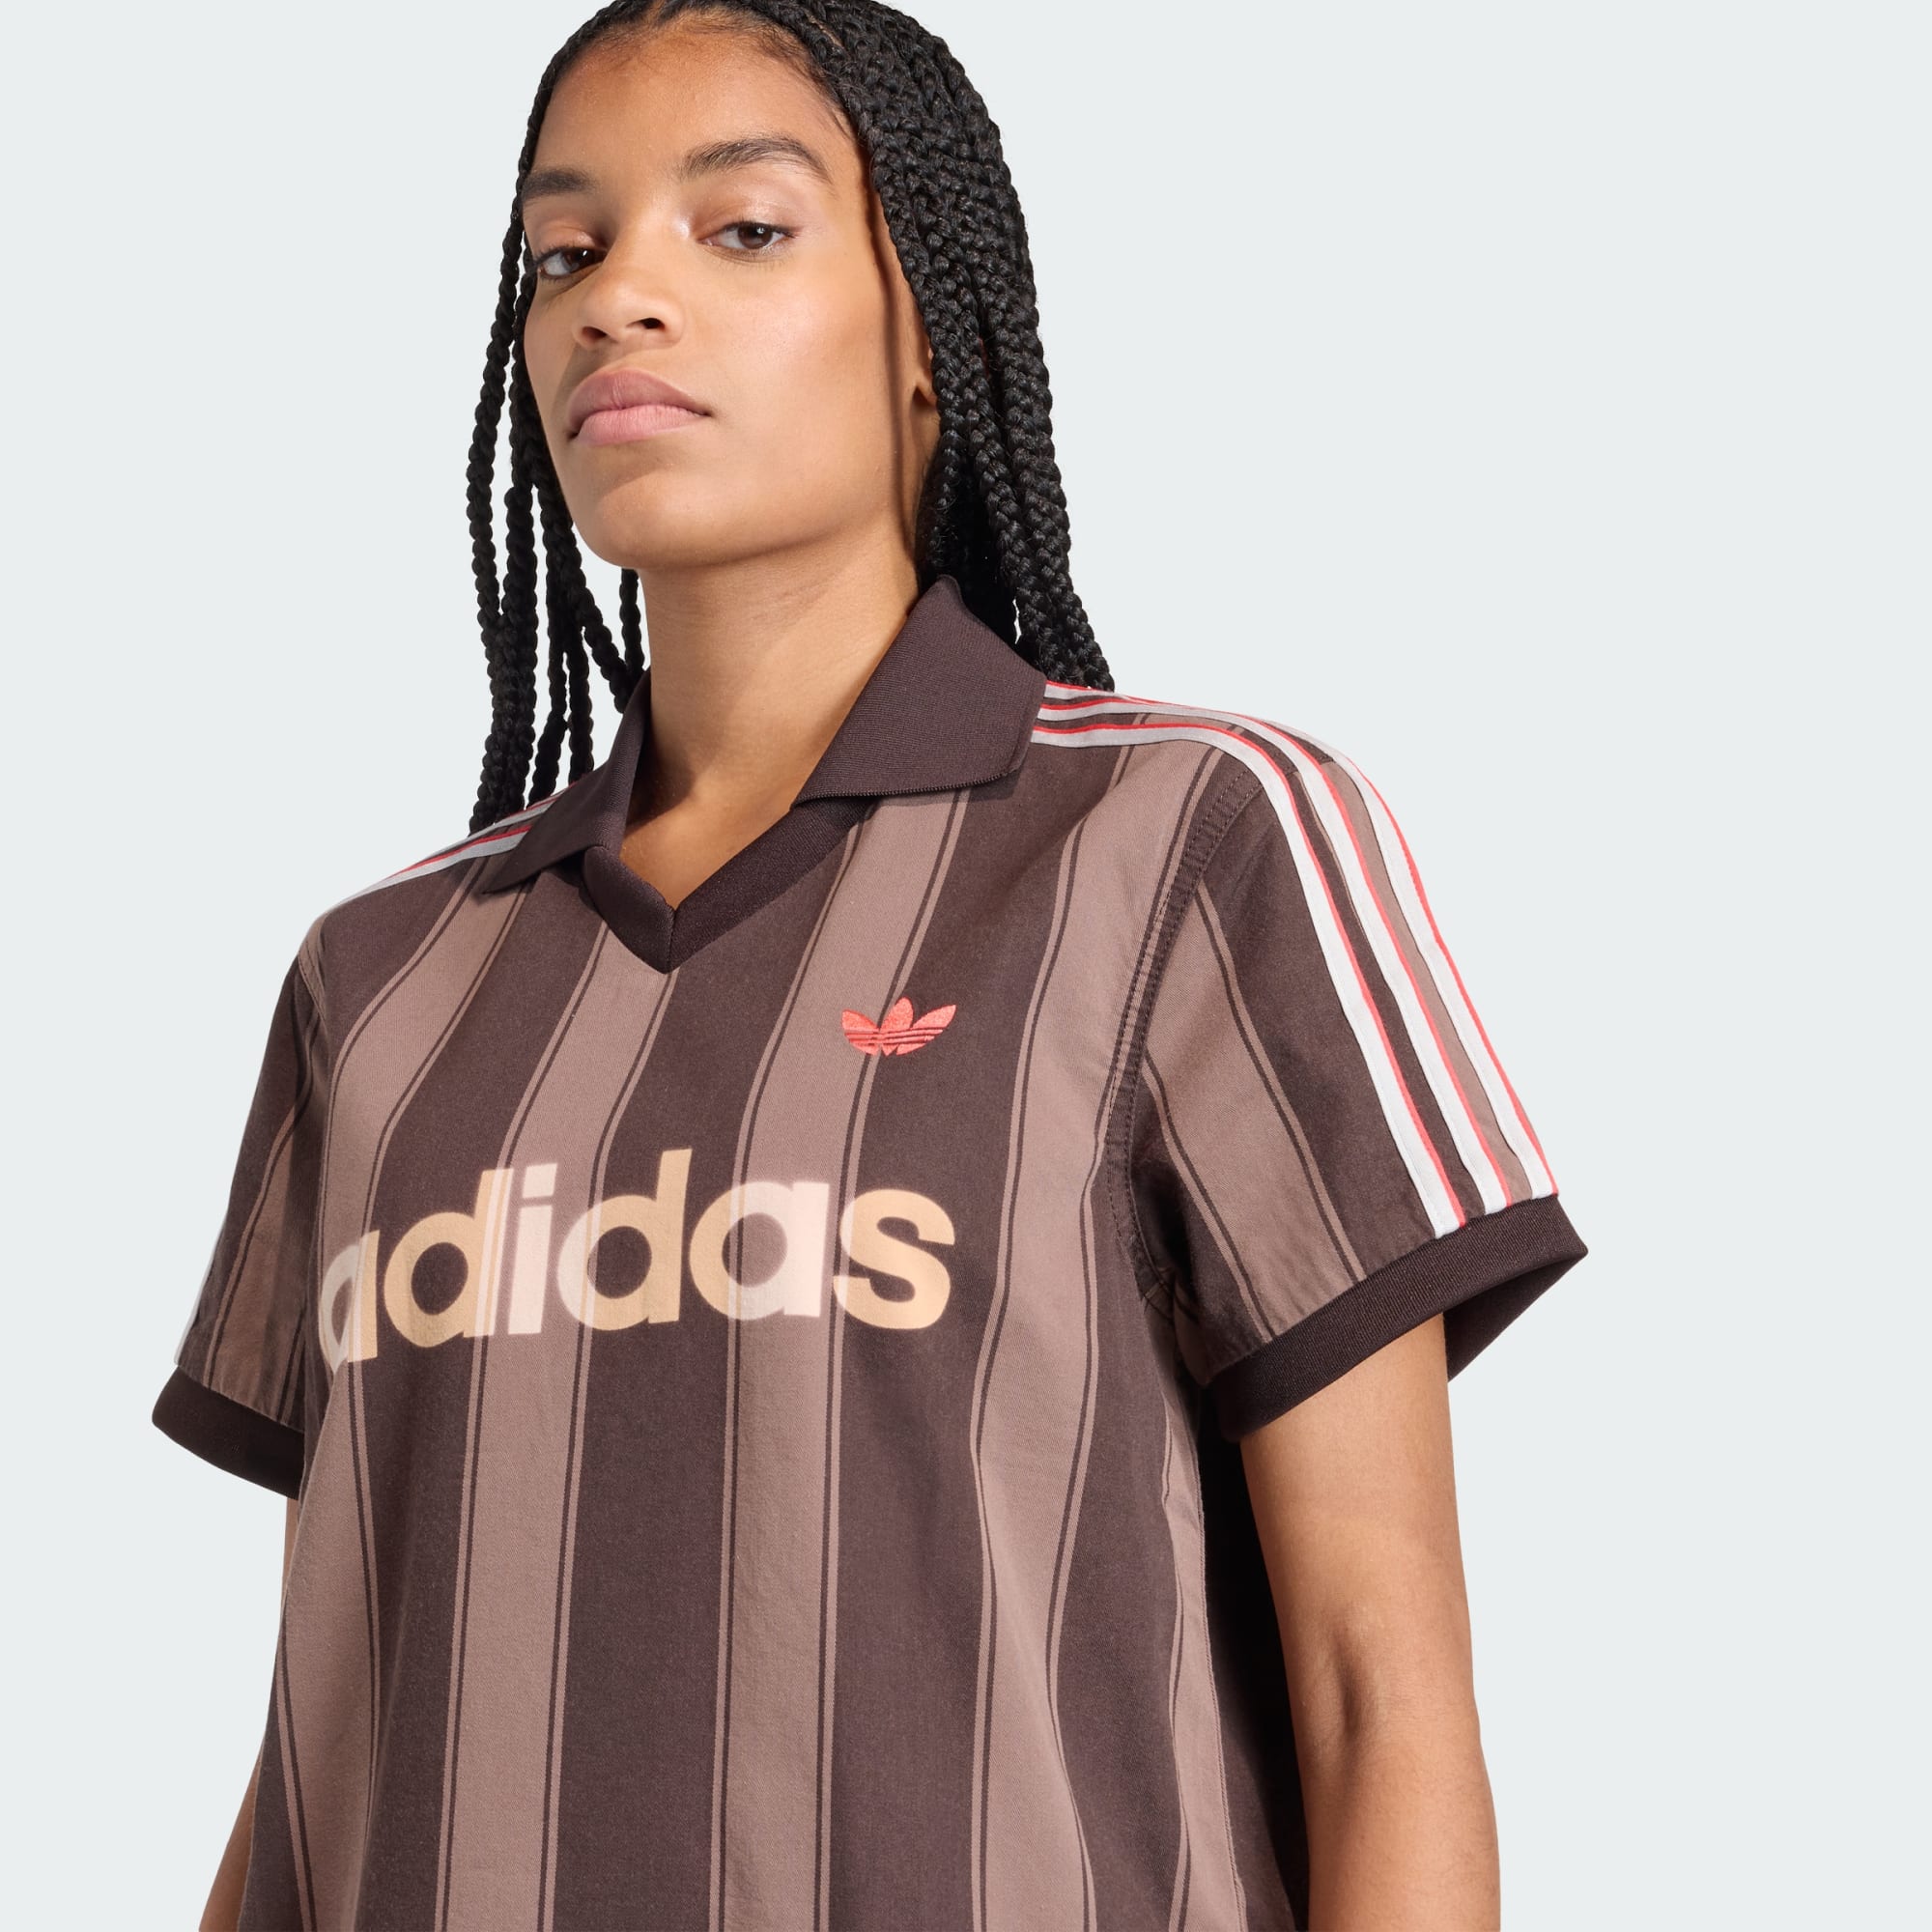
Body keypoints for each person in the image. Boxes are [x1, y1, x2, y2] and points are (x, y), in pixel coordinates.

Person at [153, 3, 1587, 1927]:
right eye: (564, 253)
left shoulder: (1190, 841)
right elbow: (326, 1725)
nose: (619, 296)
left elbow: (1377, 1698)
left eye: (742, 228)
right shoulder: (383, 976)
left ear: (934, 336)